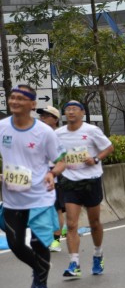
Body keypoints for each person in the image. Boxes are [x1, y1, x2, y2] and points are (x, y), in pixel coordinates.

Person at [0, 85, 66, 288]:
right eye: (13, 97)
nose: (15, 101)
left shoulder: (44, 132)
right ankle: (39, 269)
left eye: (21, 98)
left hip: (40, 197)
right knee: (16, 245)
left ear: (32, 104)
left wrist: (52, 173)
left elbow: (61, 161)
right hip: (13, 198)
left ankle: (41, 284)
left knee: (39, 244)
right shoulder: (2, 127)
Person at [56, 100, 114, 278]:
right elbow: (55, 154)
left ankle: (98, 254)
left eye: (75, 109)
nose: (71, 112)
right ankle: (74, 263)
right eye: (68, 109)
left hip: (91, 181)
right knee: (72, 224)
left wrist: (95, 159)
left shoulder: (91, 130)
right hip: (70, 182)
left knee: (94, 222)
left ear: (82, 113)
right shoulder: (58, 133)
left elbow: (109, 148)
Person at [37, 105, 67, 252]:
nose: (42, 118)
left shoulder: (59, 135)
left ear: (55, 119)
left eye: (46, 116)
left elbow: (64, 158)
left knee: (56, 210)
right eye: (41, 115)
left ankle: (56, 240)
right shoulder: (36, 134)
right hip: (37, 177)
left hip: (54, 175)